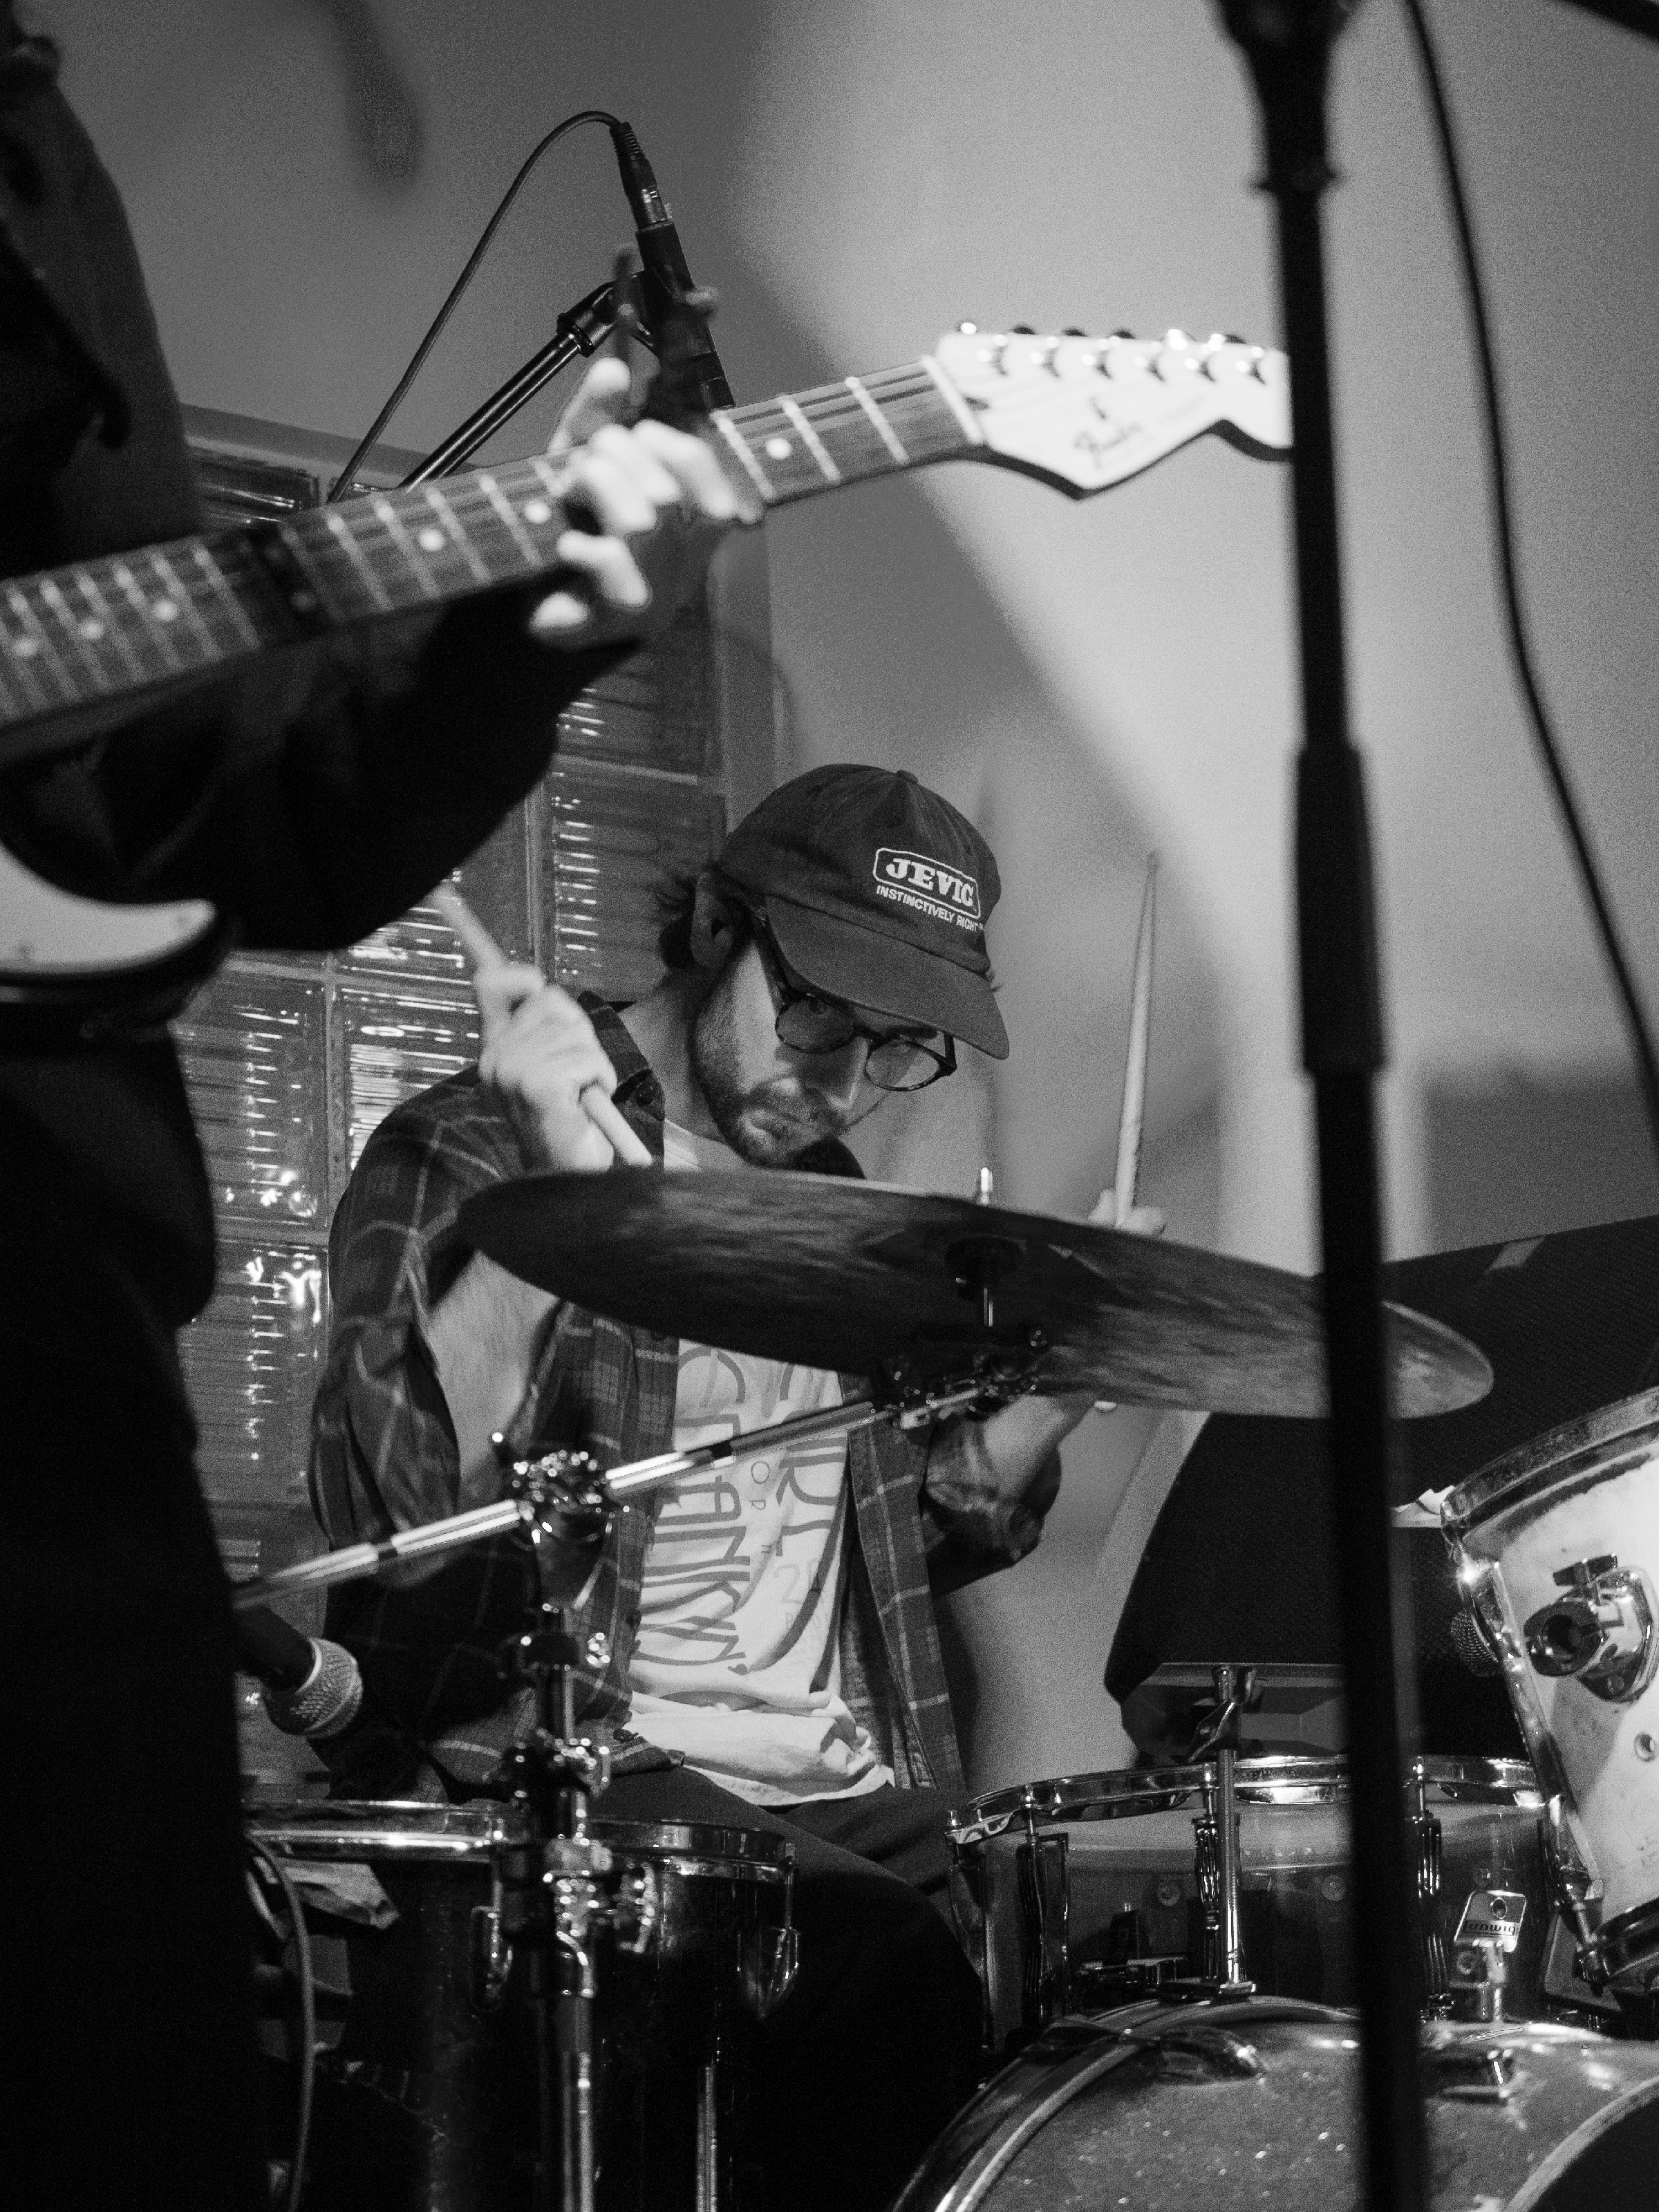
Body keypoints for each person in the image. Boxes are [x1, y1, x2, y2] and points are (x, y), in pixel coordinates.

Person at [0, 15, 739, 2206]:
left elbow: (187, 794)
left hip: (39, 1352)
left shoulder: (30, 161)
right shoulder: (453, 1165)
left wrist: (520, 629)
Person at [310, 762, 1161, 2211]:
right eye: (817, 1010)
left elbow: (898, 1526)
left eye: (893, 1045)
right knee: (883, 1962)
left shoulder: (835, 1201)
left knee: (1071, 1962)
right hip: (579, 1766)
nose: (840, 1079)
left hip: (836, 1783)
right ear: (713, 923)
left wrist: (1074, 1370)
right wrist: (554, 1213)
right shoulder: (471, 1142)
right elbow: (393, 1508)